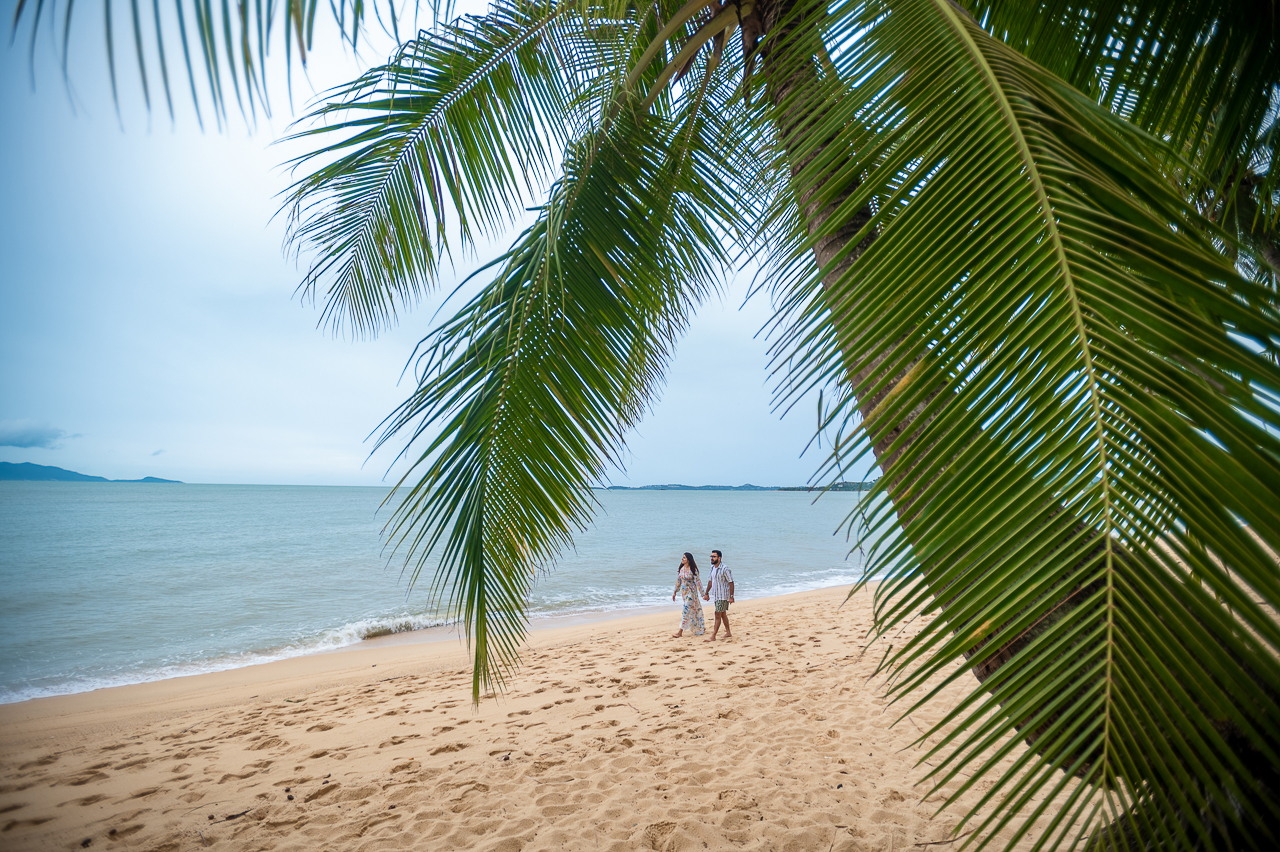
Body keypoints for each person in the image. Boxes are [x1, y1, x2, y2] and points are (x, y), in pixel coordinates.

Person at [670, 552, 705, 638]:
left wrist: (703, 594)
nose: (682, 559)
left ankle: (680, 632)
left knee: (686, 611)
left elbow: (698, 582)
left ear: (688, 560)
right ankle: (700, 627)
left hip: (691, 594)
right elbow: (678, 581)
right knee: (694, 610)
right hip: (684, 594)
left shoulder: (693, 570)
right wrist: (674, 592)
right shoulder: (681, 569)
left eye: (684, 558)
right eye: (682, 557)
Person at [702, 549, 734, 641]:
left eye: (714, 556)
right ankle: (728, 632)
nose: (711, 558)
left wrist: (731, 596)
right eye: (711, 556)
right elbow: (710, 581)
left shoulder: (725, 568)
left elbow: (731, 582)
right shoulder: (712, 568)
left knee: (717, 614)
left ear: (719, 558)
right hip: (716, 596)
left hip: (723, 596)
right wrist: (706, 593)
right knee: (723, 614)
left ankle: (713, 636)